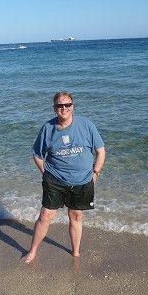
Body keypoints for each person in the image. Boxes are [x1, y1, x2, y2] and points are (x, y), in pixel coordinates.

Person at [23, 91, 106, 263]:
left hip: (83, 180)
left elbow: (101, 151)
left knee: (76, 215)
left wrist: (96, 173)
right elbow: (37, 155)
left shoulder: (86, 125)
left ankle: (75, 252)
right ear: (54, 108)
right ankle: (32, 251)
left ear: (73, 107)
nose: (64, 108)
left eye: (67, 104)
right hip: (55, 180)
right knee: (45, 215)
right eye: (60, 105)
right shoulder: (48, 128)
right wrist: (45, 173)